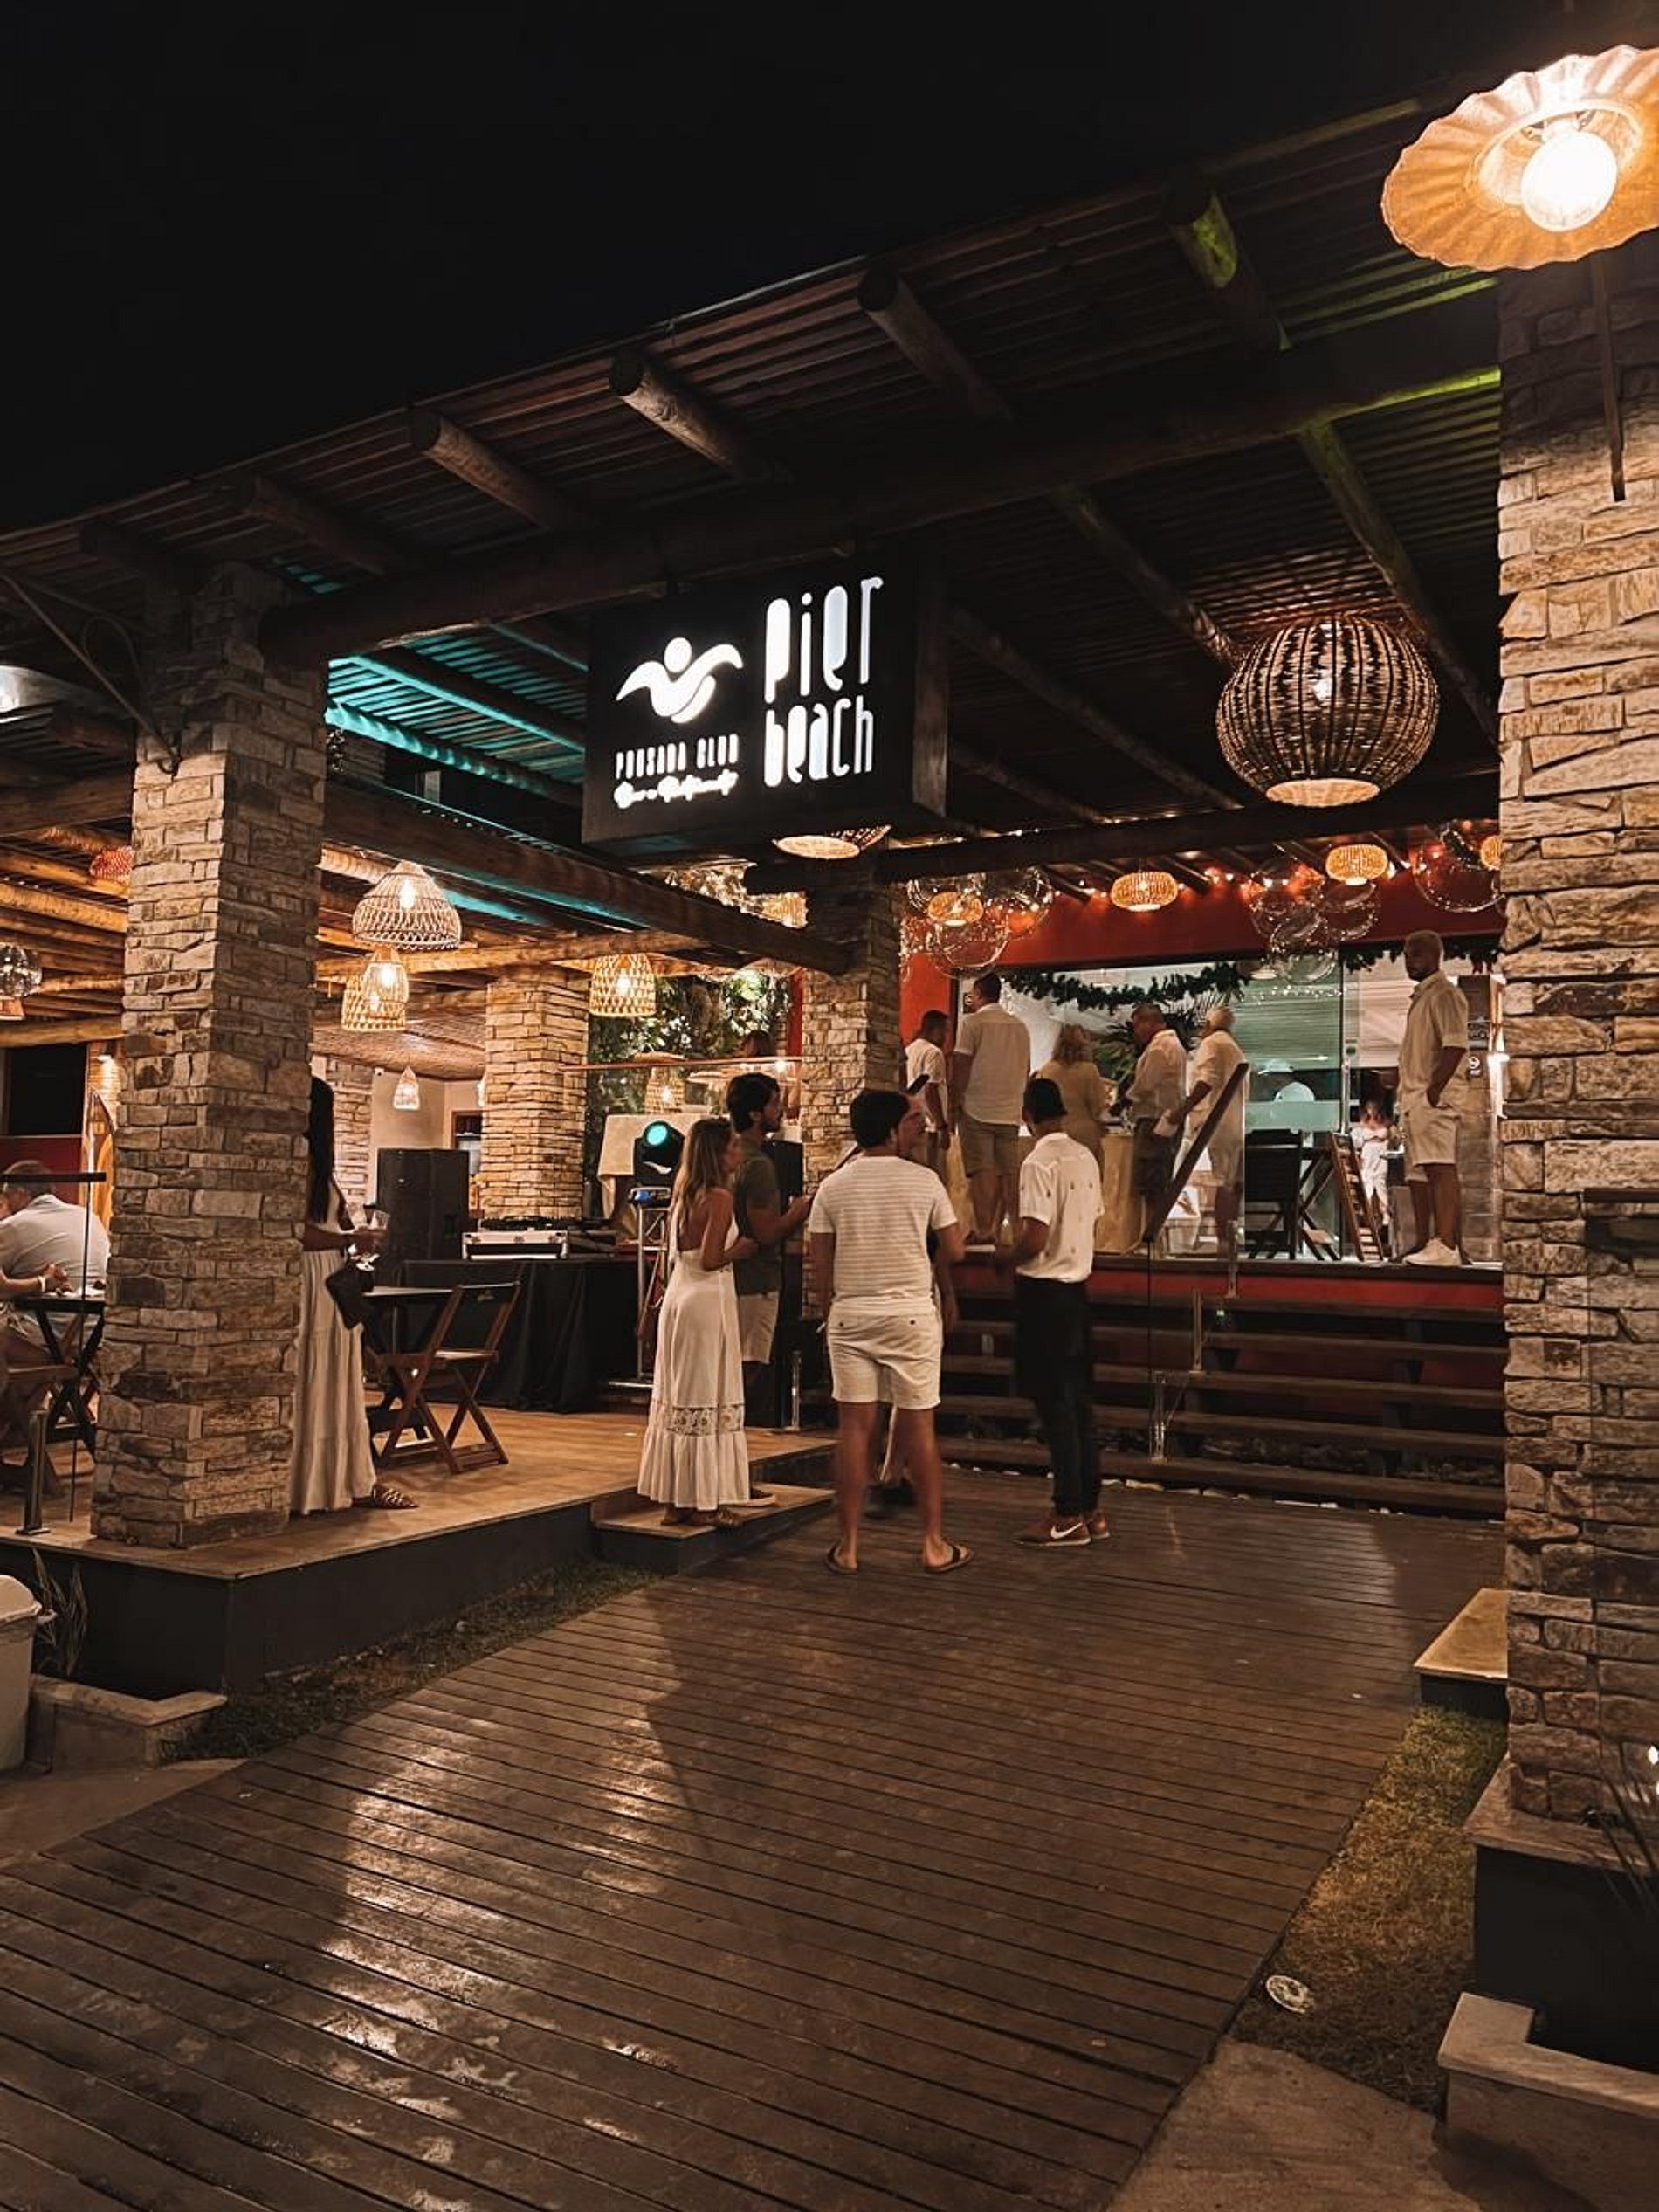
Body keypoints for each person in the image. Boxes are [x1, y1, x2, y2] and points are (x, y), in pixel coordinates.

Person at [809, 1088, 970, 1575]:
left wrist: (832, 1311)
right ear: (892, 1130)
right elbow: (955, 1250)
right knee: (920, 1428)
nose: (917, 1129)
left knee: (854, 1430)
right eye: (911, 1122)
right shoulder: (924, 1181)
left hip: (851, 1315)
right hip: (911, 1315)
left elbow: (821, 1267)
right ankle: (933, 1544)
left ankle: (849, 1546)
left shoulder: (833, 1187)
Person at [639, 1116, 763, 1526]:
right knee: (706, 1391)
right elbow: (711, 1259)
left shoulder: (683, 1197)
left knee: (681, 1393)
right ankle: (706, 1503)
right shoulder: (719, 1198)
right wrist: (739, 1250)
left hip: (680, 1297)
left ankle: (678, 1500)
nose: (738, 1152)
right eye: (732, 1146)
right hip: (707, 1299)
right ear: (717, 1154)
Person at [292, 1079, 408, 1514]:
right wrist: (349, 1238)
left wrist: (352, 1236)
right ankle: (318, 1482)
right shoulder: (302, 1160)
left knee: (332, 1377)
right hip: (313, 1278)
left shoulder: (317, 1167)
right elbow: (294, 1231)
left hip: (328, 1277)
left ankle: (341, 1478)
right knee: (316, 1375)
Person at [1002, 1078, 1106, 1548]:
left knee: (1054, 1405)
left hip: (1044, 1292)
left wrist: (1003, 1258)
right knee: (1080, 1404)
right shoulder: (1085, 1156)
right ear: (1061, 1113)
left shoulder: (1038, 1161)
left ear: (1027, 1116)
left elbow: (1035, 1236)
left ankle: (1066, 1512)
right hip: (1078, 1289)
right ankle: (1090, 1508)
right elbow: (1093, 1218)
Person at [726, 1071, 812, 1433]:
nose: (781, 1110)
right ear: (756, 1113)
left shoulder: (723, 1156)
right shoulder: (758, 1165)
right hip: (756, 1279)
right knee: (748, 1363)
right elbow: (766, 1233)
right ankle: (729, 1433)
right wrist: (798, 1211)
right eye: (775, 1103)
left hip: (726, 1279)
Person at [0, 1163, 92, 1476]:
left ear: (21, 1193)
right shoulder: (86, 1216)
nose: (5, 1204)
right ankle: (16, 1427)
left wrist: (39, 1283)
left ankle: (14, 1429)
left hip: (47, 1340)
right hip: (91, 1338)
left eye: (6, 1196)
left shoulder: (17, 1225)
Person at [1399, 930, 1469, 1266]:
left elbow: (1455, 1044)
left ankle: (1447, 1243)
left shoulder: (1444, 994)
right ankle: (1425, 1241)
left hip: (1430, 1098)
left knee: (1440, 1167)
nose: (1408, 961)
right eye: (1406, 955)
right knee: (1418, 1174)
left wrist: (1434, 1089)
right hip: (1414, 1097)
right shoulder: (1421, 997)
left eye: (1416, 954)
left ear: (1434, 955)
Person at [949, 973, 1031, 1244]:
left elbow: (961, 1064)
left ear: (977, 994)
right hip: (1010, 1108)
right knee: (1009, 1172)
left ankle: (985, 1230)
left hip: (977, 1106)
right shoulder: (1020, 1027)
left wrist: (955, 1101)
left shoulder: (973, 1023)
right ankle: (1016, 1229)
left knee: (982, 1170)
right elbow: (1026, 1068)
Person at [1181, 1006, 1249, 1257]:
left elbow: (1207, 1080)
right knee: (1231, 1183)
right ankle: (1230, 1239)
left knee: (1223, 1182)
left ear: (1207, 1025)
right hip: (1235, 1124)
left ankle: (1223, 1242)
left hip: (1216, 1123)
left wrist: (1184, 1109)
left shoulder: (1212, 1044)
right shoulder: (1236, 1049)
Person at [1122, 1003, 1187, 1234]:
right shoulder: (1173, 1044)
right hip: (1164, 1120)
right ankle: (1153, 1237)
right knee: (1158, 1182)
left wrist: (1123, 1101)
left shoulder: (1160, 1047)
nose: (1135, 1032)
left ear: (1149, 1023)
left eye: (1136, 1026)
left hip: (1155, 1120)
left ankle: (1151, 1238)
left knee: (1152, 1183)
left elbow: (1145, 1084)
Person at [1036, 1024, 1110, 1167]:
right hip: (1085, 1135)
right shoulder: (1089, 1070)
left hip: (1055, 1132)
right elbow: (1098, 1105)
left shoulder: (1046, 1070)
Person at [904, 1009, 953, 1175]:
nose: (946, 1037)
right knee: (933, 1174)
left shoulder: (909, 1050)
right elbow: (931, 1090)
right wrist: (942, 1126)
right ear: (935, 1029)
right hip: (931, 1126)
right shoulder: (934, 1053)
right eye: (945, 1031)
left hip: (912, 1121)